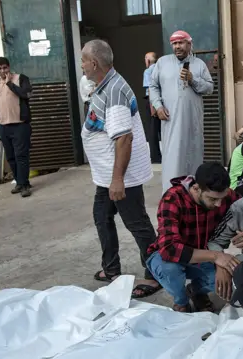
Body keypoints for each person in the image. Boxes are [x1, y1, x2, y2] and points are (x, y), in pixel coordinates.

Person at [80, 39, 161, 298]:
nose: (81, 66)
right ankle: (111, 268)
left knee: (137, 223)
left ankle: (155, 274)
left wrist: (118, 180)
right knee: (101, 217)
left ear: (94, 63)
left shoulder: (114, 93)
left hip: (121, 175)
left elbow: (124, 139)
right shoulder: (104, 85)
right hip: (108, 174)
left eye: (83, 60)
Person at [146, 162, 241, 312]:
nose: (218, 204)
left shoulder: (225, 195)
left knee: (229, 282)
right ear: (196, 188)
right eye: (212, 199)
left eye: (222, 198)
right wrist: (216, 257)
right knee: (170, 269)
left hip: (202, 256)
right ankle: (181, 302)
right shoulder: (173, 198)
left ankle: (196, 291)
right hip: (166, 257)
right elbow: (169, 249)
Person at [150, 30, 214, 194]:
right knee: (172, 159)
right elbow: (153, 86)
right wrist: (158, 106)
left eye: (181, 43)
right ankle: (170, 196)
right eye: (174, 43)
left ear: (189, 44)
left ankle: (193, 196)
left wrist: (193, 79)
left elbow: (209, 88)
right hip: (171, 122)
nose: (177, 46)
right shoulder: (162, 63)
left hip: (192, 123)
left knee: (193, 159)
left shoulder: (199, 64)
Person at [0, 57, 33, 197]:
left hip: (20, 125)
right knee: (11, 157)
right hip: (4, 126)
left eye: (5, 68)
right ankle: (19, 182)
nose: (2, 71)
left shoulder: (21, 79)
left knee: (21, 155)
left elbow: (27, 94)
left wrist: (10, 84)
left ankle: (25, 184)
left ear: (9, 67)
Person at [143, 51, 161, 164]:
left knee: (152, 130)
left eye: (145, 58)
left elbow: (150, 89)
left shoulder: (148, 71)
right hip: (162, 101)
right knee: (162, 129)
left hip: (152, 102)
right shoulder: (160, 68)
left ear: (148, 60)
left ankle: (155, 157)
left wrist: (152, 107)